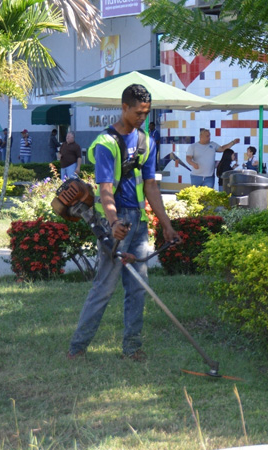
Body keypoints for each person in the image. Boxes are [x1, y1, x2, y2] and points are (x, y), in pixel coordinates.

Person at [67, 83, 178, 362]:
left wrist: (166, 224)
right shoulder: (106, 144)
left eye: (147, 113)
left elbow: (151, 186)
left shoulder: (147, 141)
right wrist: (113, 221)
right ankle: (77, 348)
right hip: (116, 224)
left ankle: (132, 348)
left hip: (138, 222)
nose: (143, 117)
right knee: (104, 287)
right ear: (124, 107)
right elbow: (105, 189)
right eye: (138, 112)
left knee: (138, 288)